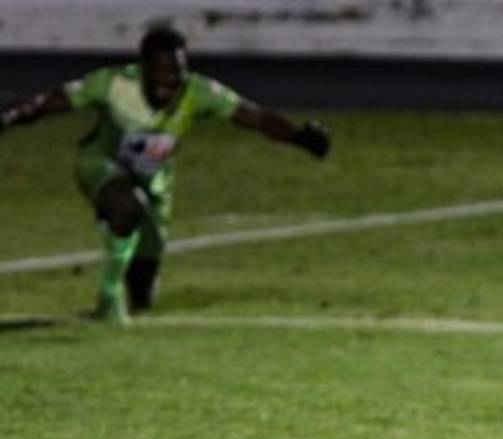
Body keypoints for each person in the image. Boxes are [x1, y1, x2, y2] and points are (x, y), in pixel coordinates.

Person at [0, 25, 331, 324]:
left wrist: (301, 137)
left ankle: (128, 276)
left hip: (155, 184)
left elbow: (257, 117)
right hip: (99, 165)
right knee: (127, 205)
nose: (169, 80)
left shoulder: (198, 93)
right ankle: (109, 299)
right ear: (143, 68)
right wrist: (13, 116)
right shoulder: (113, 83)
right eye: (160, 71)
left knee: (143, 294)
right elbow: (53, 100)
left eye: (176, 72)